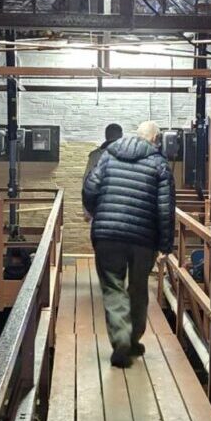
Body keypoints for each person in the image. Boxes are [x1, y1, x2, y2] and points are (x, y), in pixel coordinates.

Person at [82, 119, 175, 367]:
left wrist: (99, 213)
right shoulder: (160, 164)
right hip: (143, 239)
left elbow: (90, 189)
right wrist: (166, 245)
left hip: (107, 235)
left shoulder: (109, 156)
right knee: (138, 287)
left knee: (113, 287)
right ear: (155, 139)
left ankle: (121, 339)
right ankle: (133, 340)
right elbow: (165, 209)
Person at [83, 122, 123, 219]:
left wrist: (87, 211)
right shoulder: (130, 155)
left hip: (100, 208)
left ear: (106, 136)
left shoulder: (95, 156)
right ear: (121, 136)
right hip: (124, 208)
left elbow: (87, 184)